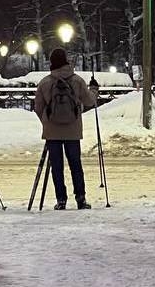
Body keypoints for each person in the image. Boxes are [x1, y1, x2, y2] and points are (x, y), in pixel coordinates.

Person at [33, 48, 99, 210]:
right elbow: (90, 101)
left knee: (57, 166)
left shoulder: (45, 82)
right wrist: (94, 90)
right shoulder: (77, 81)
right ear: (66, 61)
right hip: (73, 130)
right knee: (75, 164)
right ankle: (81, 198)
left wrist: (47, 122)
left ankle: (61, 200)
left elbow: (38, 107)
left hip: (52, 132)